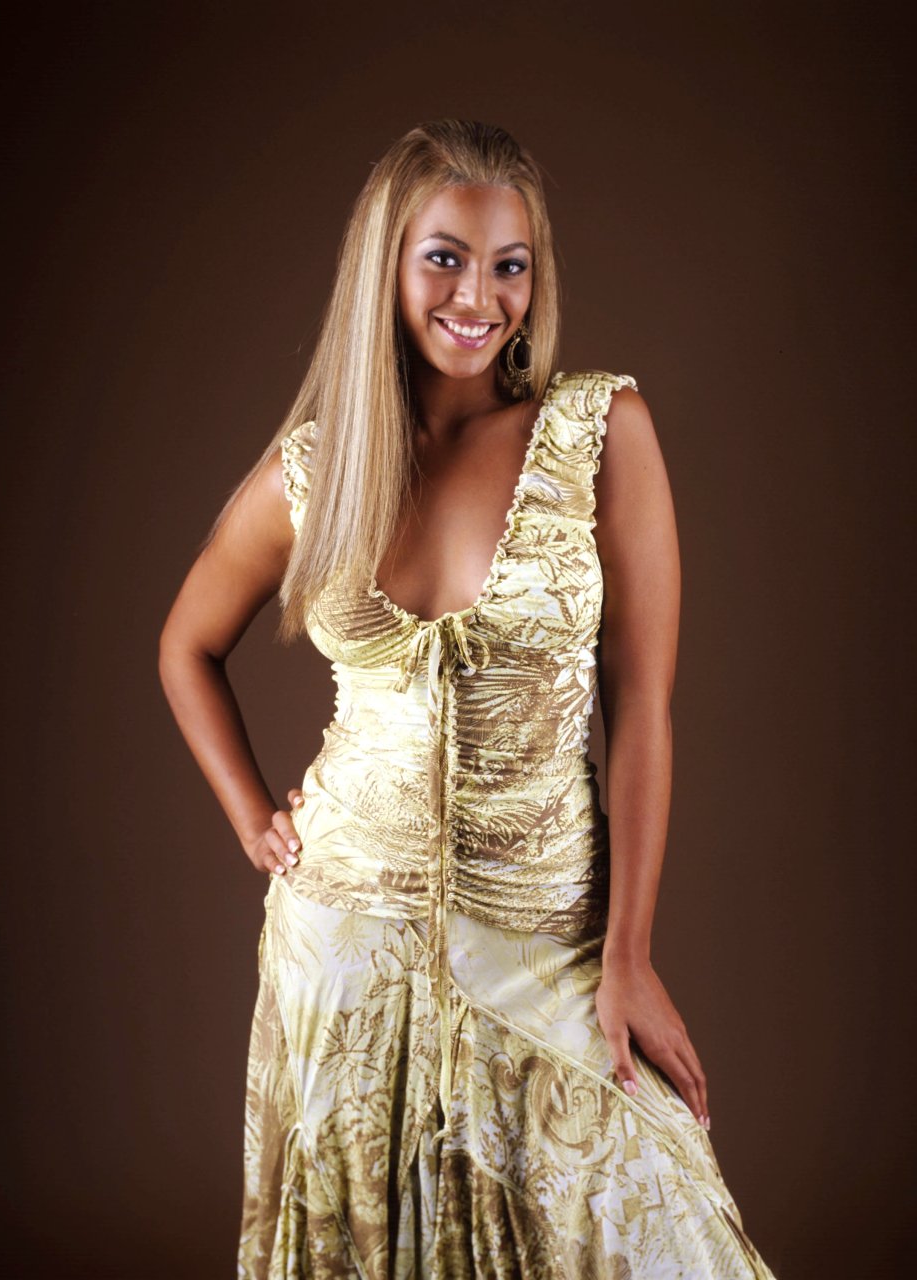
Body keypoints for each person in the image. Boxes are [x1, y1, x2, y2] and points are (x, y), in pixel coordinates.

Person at [158, 119, 779, 1279]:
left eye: (510, 264)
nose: (478, 297)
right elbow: (186, 644)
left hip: (546, 930)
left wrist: (631, 953)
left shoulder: (601, 432)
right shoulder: (318, 468)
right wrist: (254, 817)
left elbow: (641, 706)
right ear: (386, 266)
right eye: (444, 258)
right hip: (342, 942)